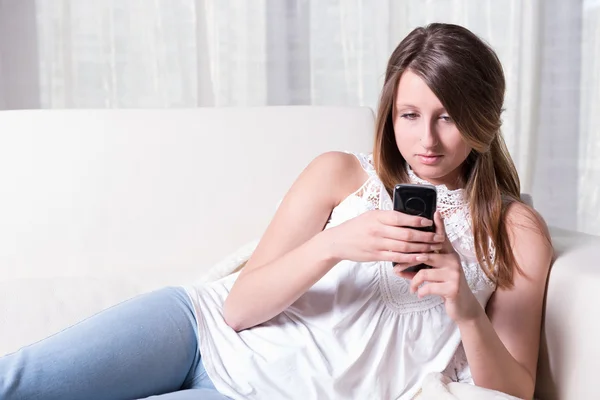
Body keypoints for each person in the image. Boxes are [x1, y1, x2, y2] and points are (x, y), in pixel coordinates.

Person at [0, 23, 552, 400]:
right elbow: (238, 309)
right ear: (390, 113)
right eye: (409, 114)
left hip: (271, 390)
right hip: (198, 329)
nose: (425, 139)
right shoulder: (340, 173)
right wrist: (337, 243)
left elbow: (514, 387)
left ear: (483, 118)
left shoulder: (515, 230)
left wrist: (463, 307)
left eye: (448, 117)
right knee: (18, 380)